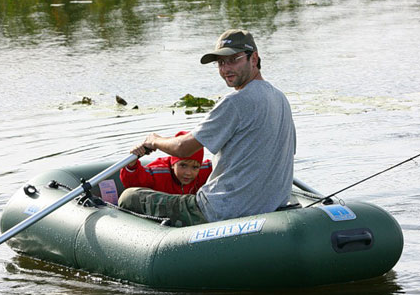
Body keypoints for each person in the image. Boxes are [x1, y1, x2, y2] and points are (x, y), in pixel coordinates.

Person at [118, 29, 296, 227]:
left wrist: (154, 140)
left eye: (233, 59)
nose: (226, 68)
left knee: (129, 197)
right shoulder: (280, 98)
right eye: (220, 63)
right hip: (271, 210)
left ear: (253, 58)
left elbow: (183, 148)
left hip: (221, 212)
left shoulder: (236, 102)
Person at [120, 131, 212, 195]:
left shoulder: (204, 171)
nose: (188, 173)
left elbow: (222, 166)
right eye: (183, 165)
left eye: (195, 167)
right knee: (129, 195)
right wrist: (132, 163)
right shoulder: (160, 172)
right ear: (173, 164)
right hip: (163, 208)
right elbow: (133, 182)